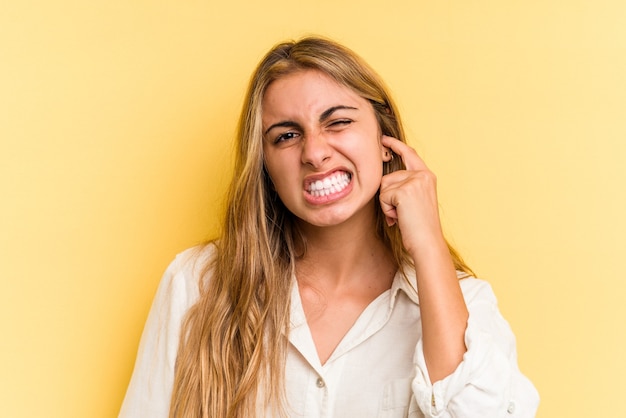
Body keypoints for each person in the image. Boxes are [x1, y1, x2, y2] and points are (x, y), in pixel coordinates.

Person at [119, 36, 539, 418]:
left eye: (337, 122)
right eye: (286, 136)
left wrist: (428, 245)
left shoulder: (464, 302)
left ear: (383, 136)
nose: (315, 153)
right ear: (263, 164)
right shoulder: (196, 284)